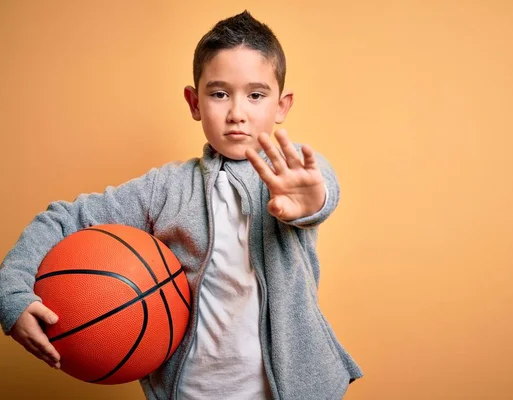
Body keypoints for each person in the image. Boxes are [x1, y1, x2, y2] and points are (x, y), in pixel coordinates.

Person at [0, 10, 362, 400]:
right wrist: (12, 294)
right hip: (190, 391)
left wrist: (314, 199)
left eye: (256, 95)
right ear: (194, 102)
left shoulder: (292, 172)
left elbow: (321, 189)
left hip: (289, 391)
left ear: (281, 106)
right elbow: (63, 219)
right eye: (219, 93)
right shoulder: (165, 188)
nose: (237, 113)